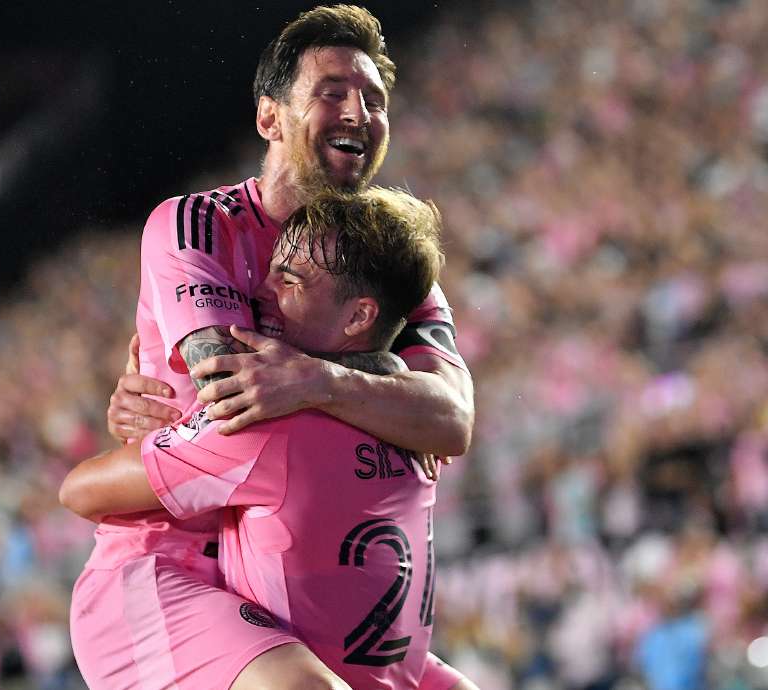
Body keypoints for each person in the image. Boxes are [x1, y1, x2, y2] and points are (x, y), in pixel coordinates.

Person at [71, 5, 474, 689]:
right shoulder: (198, 225)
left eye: (375, 99)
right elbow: (235, 398)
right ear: (270, 118)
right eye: (333, 92)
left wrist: (319, 381)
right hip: (169, 566)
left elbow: (451, 419)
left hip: (293, 591)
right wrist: (378, 387)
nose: (359, 111)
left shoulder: (386, 263)